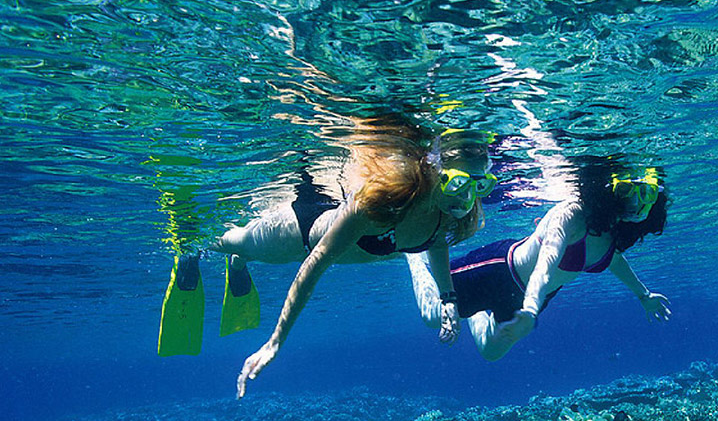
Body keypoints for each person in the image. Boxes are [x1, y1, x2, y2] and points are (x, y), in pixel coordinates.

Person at [228, 126, 495, 396]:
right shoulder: (386, 200)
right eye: (459, 182)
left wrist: (448, 298)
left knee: (244, 249)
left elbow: (436, 242)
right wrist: (275, 342)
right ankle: (219, 253)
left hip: (347, 245)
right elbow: (314, 265)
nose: (466, 196)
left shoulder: (443, 208)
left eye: (479, 185)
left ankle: (240, 260)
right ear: (432, 169)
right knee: (229, 241)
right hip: (301, 235)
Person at [406, 161, 670, 361]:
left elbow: (614, 260)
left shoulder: (613, 229)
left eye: (646, 194)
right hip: (497, 272)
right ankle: (414, 255)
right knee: (433, 316)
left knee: (490, 352)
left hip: (534, 298)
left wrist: (644, 295)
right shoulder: (572, 214)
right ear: (607, 190)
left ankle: (475, 311)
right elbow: (545, 266)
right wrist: (530, 309)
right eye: (626, 190)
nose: (635, 203)